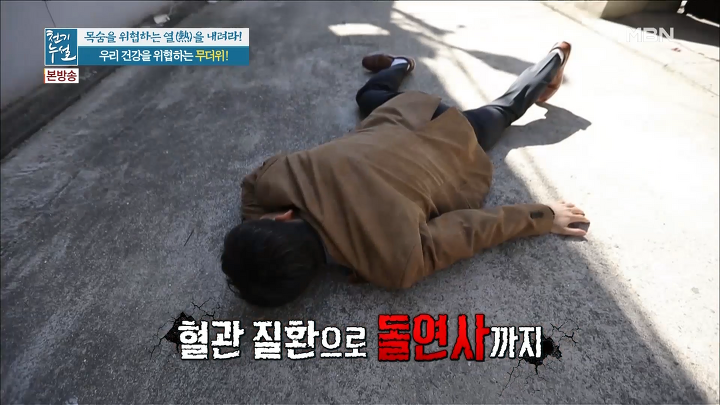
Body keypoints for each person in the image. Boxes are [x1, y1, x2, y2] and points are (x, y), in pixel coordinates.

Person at [221, 41, 590, 307]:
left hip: (454, 142)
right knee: (370, 96)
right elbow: (253, 188)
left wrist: (544, 216)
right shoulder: (281, 178)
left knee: (505, 109)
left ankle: (551, 61)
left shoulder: (395, 261)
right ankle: (400, 63)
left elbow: (471, 229)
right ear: (282, 216)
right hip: (406, 115)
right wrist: (260, 232)